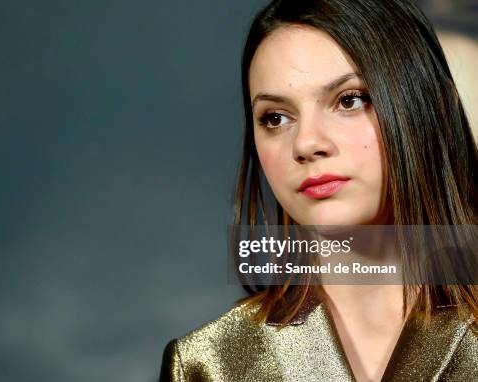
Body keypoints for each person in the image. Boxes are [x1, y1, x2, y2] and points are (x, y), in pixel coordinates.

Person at [159, 0, 478, 381]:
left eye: (350, 100)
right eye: (275, 118)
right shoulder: (208, 366)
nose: (306, 143)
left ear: (435, 108)